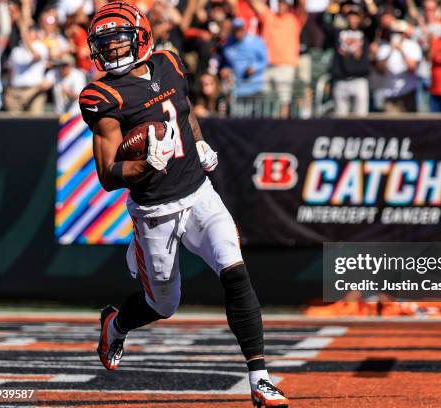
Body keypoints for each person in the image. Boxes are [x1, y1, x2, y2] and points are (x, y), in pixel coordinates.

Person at [78, 3, 288, 407]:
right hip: (155, 210)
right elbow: (107, 174)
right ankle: (115, 325)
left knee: (234, 269)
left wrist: (198, 140)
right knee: (163, 304)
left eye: (120, 42)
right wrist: (144, 164)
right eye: (105, 45)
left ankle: (260, 377)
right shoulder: (101, 96)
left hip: (199, 192)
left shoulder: (169, 62)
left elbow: (184, 114)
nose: (113, 52)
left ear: (141, 38)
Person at [248, 0, 306, 118]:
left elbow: (302, 6)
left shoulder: (294, 18)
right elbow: (254, 3)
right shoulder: (269, 15)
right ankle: (263, 125)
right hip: (266, 65)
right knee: (263, 98)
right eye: (279, 2)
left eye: (284, 3)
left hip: (286, 65)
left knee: (284, 100)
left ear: (288, 5)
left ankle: (282, 127)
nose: (281, 5)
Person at [323, 1, 372, 116]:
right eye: (350, 16)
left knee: (361, 118)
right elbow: (323, 22)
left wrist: (368, 2)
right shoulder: (338, 32)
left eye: (356, 17)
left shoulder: (365, 33)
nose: (353, 19)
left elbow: (376, 19)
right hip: (341, 80)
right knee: (341, 119)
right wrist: (333, 5)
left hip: (359, 80)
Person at [374, 19, 422, 113]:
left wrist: (401, 50)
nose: (397, 35)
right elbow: (379, 69)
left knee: (410, 125)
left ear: (405, 33)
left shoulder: (412, 46)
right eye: (394, 32)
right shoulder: (384, 47)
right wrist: (390, 51)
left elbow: (412, 68)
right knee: (390, 125)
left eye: (400, 32)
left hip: (408, 93)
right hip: (390, 94)